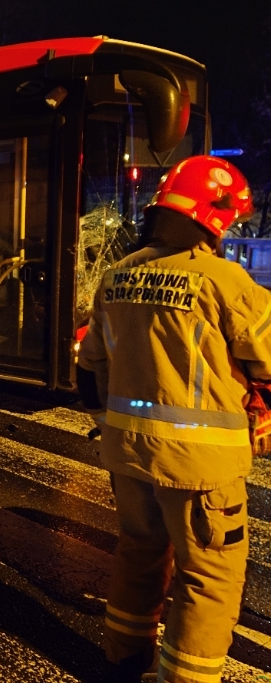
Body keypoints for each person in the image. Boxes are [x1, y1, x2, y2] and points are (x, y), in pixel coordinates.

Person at [76, 155, 271, 682]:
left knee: (139, 553)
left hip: (127, 455)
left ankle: (124, 656)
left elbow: (90, 365)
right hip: (201, 468)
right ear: (213, 217)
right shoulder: (225, 281)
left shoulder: (116, 277)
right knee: (207, 577)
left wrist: (105, 420)